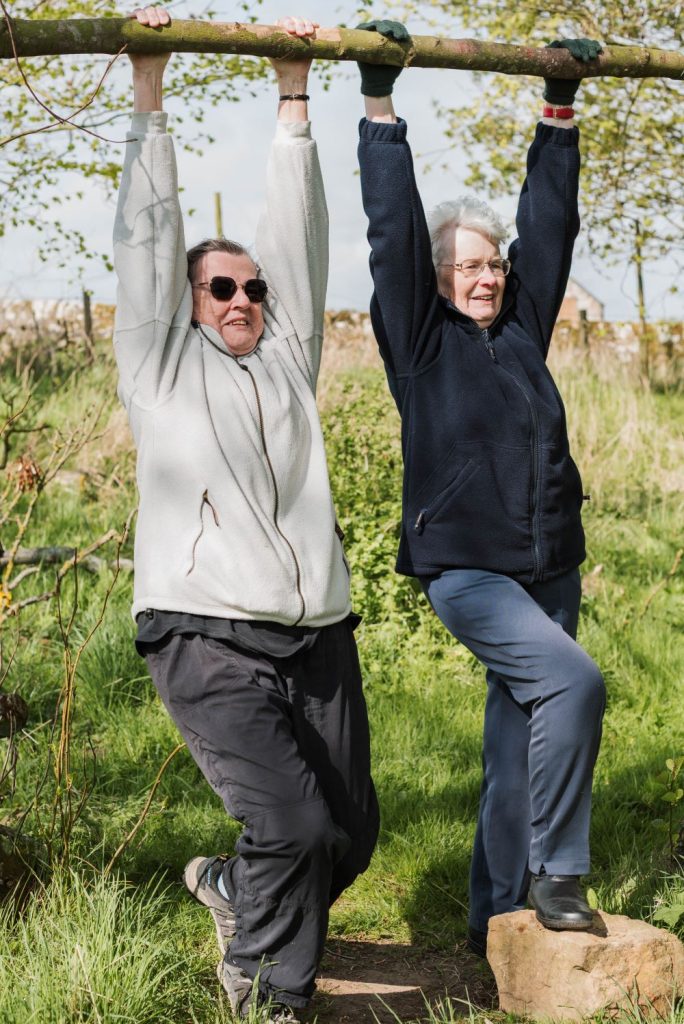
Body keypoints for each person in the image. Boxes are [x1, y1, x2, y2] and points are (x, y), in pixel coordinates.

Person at [113, 9, 379, 1020]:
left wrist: (295, 98)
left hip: (314, 632)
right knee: (295, 827)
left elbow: (297, 242)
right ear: (185, 302)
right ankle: (271, 994)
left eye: (251, 288)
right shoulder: (160, 364)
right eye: (219, 285)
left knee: (348, 834)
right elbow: (147, 245)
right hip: (203, 628)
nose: (242, 296)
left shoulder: (286, 358)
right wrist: (149, 91)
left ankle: (232, 893)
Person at [354, 23, 606, 957]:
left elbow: (551, 222)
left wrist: (559, 105)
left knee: (517, 740)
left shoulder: (523, 324)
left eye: (493, 262)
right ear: (439, 276)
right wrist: (381, 111)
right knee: (574, 683)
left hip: (549, 565)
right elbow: (390, 233)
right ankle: (558, 872)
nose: (487, 275)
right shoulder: (420, 343)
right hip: (467, 570)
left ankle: (492, 916)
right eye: (468, 264)